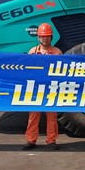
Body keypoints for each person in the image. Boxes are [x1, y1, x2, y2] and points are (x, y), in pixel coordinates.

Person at [23, 23, 63, 151]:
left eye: (47, 36)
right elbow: (27, 69)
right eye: (42, 36)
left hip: (51, 89)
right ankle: (31, 140)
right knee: (33, 116)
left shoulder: (57, 53)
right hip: (36, 89)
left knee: (52, 117)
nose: (45, 39)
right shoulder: (32, 52)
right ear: (39, 37)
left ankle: (51, 140)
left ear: (51, 37)